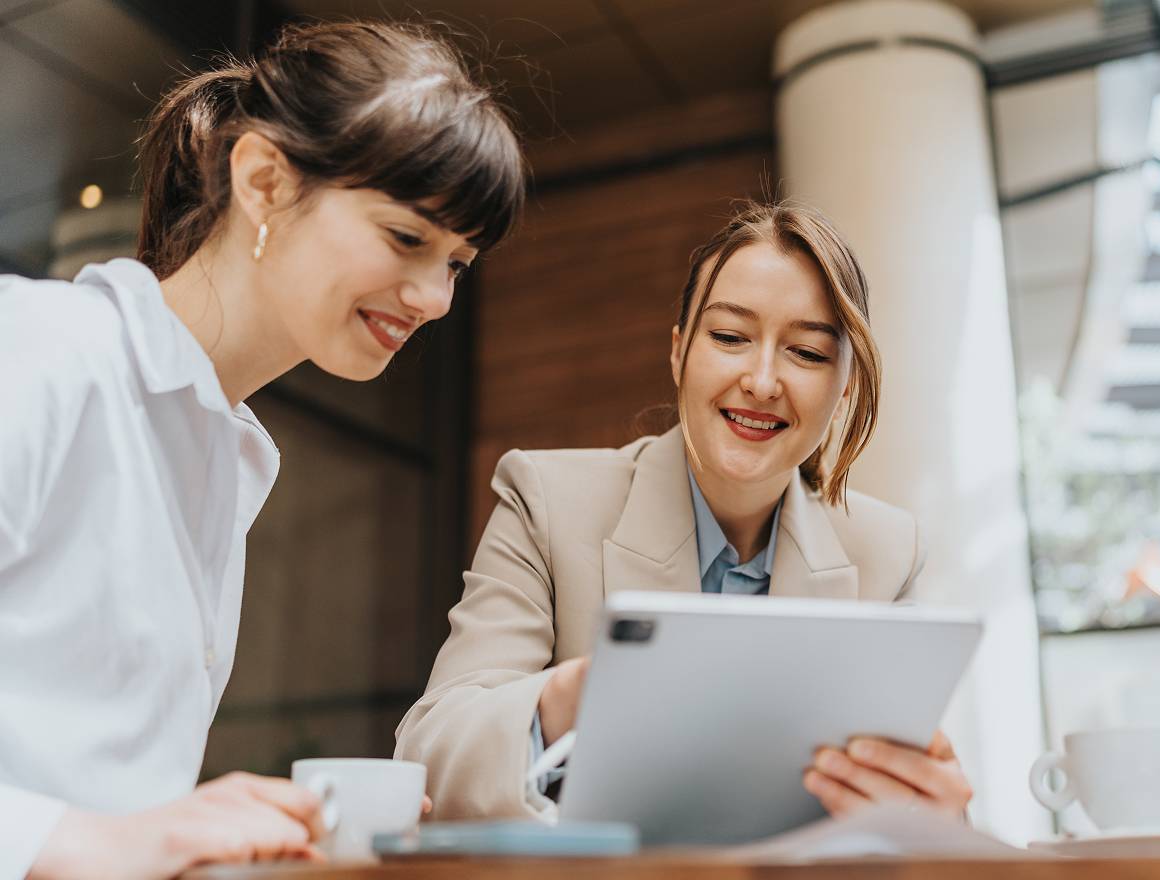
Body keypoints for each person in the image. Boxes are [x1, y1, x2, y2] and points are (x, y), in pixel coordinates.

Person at [0, 20, 525, 880]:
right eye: (406, 238)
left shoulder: (228, 452)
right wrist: (93, 843)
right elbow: (93, 832)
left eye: (459, 264)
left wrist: (244, 827)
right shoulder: (43, 350)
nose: (435, 298)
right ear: (265, 180)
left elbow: (106, 788)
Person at [395, 200, 972, 823]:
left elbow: (895, 806)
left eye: (806, 352)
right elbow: (430, 752)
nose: (761, 380)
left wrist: (932, 819)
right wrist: (579, 693)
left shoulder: (889, 551)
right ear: (678, 354)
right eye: (729, 337)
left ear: (847, 388)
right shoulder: (546, 498)